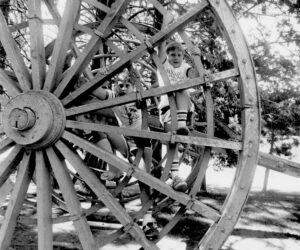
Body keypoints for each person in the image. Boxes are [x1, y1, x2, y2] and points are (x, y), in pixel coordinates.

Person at [156, 40, 201, 192]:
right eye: (172, 54)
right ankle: (175, 176)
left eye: (179, 55)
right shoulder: (163, 66)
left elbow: (194, 74)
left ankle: (182, 125)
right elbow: (160, 50)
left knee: (181, 89)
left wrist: (196, 58)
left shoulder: (184, 67)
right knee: (172, 142)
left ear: (183, 57)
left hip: (182, 109)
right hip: (168, 108)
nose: (176, 57)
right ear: (167, 56)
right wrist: (165, 35)